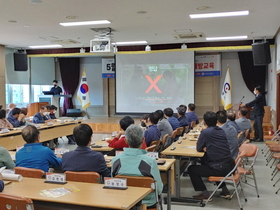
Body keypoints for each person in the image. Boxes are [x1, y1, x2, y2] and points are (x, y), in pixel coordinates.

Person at [111, 124, 163, 208]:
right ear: (143, 140)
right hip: (147, 203)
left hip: (124, 202)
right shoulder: (150, 161)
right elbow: (159, 189)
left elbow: (114, 185)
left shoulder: (116, 160)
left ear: (126, 141)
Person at [188, 111, 235, 200]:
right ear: (217, 121)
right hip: (230, 166)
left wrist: (204, 147)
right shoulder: (221, 130)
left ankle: (205, 194)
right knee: (205, 160)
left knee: (191, 169)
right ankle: (224, 190)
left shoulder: (206, 132)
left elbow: (198, 148)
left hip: (219, 168)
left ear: (205, 122)